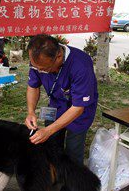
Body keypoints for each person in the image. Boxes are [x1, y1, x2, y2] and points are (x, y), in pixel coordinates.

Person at [25, 34, 98, 165]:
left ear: (58, 56)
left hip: (79, 112)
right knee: (51, 146)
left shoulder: (81, 64)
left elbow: (78, 107)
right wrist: (31, 112)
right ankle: (54, 177)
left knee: (73, 150)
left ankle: (72, 183)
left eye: (44, 69)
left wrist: (47, 131)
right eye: (36, 68)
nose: (40, 71)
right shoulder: (38, 62)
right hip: (55, 105)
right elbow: (33, 86)